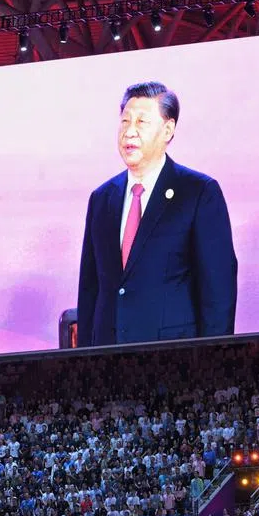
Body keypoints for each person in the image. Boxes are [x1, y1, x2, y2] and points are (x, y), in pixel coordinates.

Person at [77, 81, 237, 347]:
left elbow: (217, 293)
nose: (129, 132)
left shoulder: (198, 193)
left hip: (173, 358)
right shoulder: (101, 199)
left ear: (167, 129)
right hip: (108, 357)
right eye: (125, 121)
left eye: (142, 122)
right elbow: (90, 290)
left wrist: (212, 361)